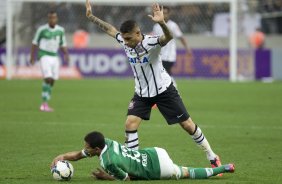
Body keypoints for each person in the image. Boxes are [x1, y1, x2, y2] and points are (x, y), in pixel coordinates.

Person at [85, 0, 222, 170]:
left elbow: (169, 37)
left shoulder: (151, 43)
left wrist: (162, 23)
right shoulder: (125, 41)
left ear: (137, 33)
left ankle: (212, 155)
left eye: (129, 38)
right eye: (124, 38)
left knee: (187, 125)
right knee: (130, 124)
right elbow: (110, 29)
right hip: (142, 93)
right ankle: (132, 164)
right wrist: (91, 17)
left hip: (164, 90)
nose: (125, 42)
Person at [51, 131, 235, 181]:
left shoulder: (108, 162)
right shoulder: (108, 142)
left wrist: (105, 177)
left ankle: (223, 168)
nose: (85, 149)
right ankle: (220, 168)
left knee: (186, 173)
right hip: (155, 152)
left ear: (96, 149)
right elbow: (78, 155)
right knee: (184, 170)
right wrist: (62, 156)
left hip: (157, 168)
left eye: (87, 147)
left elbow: (126, 179)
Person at [30, 10, 69, 112]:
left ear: (56, 19)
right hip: (44, 55)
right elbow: (34, 43)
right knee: (48, 78)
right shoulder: (42, 30)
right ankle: (44, 104)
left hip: (54, 56)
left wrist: (66, 54)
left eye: (54, 17)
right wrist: (32, 57)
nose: (52, 19)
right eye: (50, 18)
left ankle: (46, 101)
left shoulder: (60, 30)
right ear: (48, 19)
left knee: (52, 80)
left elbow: (62, 44)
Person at [152, 6, 192, 88]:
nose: (165, 15)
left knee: (163, 74)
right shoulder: (156, 26)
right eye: (163, 13)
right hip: (159, 55)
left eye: (166, 13)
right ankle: (170, 90)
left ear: (169, 14)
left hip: (169, 55)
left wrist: (187, 49)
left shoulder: (173, 25)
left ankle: (173, 88)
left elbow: (181, 37)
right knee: (162, 74)